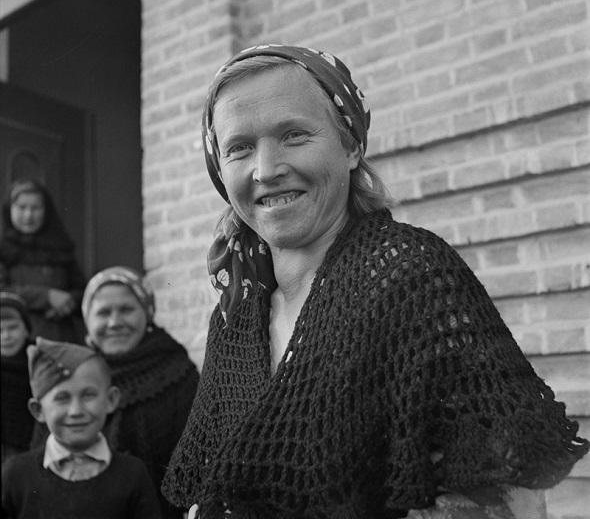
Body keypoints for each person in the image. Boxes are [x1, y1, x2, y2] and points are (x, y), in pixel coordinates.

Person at [162, 45, 589, 518]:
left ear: (351, 147)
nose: (266, 169)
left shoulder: (412, 280)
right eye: (239, 148)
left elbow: (512, 494)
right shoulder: (235, 317)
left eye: (294, 135)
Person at [80, 266, 199, 518]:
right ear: (87, 321)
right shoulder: (72, 375)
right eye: (103, 312)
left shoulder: (178, 373)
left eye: (126, 310)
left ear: (147, 313)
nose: (114, 322)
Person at [1, 337, 161, 519]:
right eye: (62, 398)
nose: (76, 411)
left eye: (88, 395)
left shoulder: (132, 474)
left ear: (111, 400)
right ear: (38, 410)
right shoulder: (15, 475)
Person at [0, 179, 86, 344]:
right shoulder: (2, 249)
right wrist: (47, 296)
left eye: (35, 208)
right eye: (22, 207)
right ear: (9, 209)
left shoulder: (60, 247)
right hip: (13, 338)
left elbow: (82, 290)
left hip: (59, 335)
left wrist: (68, 302)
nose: (28, 215)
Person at [1, 291, 34, 464]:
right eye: (0, 330)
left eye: (13, 328)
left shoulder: (41, 363)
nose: (6, 336)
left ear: (26, 330)